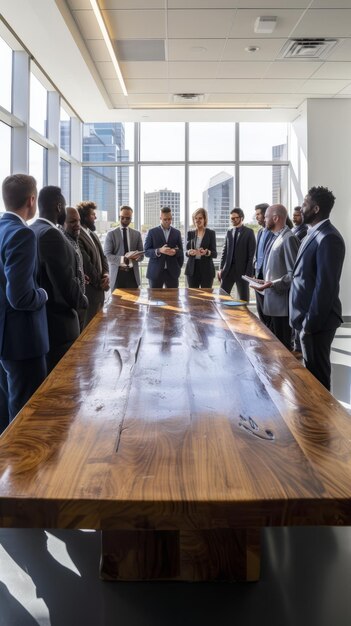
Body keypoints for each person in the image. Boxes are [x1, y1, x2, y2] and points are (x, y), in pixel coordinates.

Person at [0, 174, 49, 432]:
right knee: (27, 417)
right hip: (23, 341)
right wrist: (43, 294)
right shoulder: (22, 234)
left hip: (4, 339)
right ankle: (25, 471)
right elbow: (21, 297)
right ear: (32, 200)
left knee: (7, 413)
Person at [290, 186, 345, 391]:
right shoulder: (311, 233)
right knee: (309, 380)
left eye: (304, 204)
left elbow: (326, 288)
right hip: (305, 320)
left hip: (316, 324)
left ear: (315, 209)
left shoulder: (329, 237)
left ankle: (322, 423)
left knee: (318, 383)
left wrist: (308, 325)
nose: (300, 209)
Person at [31, 186, 88, 372]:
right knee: (67, 386)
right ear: (58, 207)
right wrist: (83, 301)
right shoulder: (52, 234)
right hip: (60, 326)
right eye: (63, 207)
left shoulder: (32, 230)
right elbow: (65, 283)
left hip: (43, 323)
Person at [251, 204, 299, 350]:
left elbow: (294, 274)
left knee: (283, 349)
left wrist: (271, 284)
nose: (264, 220)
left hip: (282, 307)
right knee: (275, 348)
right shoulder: (277, 237)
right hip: (273, 303)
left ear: (276, 218)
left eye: (266, 217)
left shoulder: (288, 238)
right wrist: (264, 281)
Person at [77, 201, 110, 324]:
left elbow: (103, 258)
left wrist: (106, 274)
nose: (95, 217)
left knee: (99, 328)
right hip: (91, 291)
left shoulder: (93, 235)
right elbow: (87, 265)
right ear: (85, 217)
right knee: (89, 330)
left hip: (100, 290)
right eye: (93, 215)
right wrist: (100, 284)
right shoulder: (79, 236)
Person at [59, 206, 87, 332]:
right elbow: (64, 277)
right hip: (71, 306)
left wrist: (81, 275)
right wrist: (82, 301)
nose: (77, 225)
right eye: (72, 222)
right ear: (62, 223)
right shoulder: (60, 241)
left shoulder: (73, 238)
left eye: (79, 221)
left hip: (78, 304)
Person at [218, 208, 256, 301]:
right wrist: (221, 268)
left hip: (242, 272)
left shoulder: (249, 232)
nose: (233, 220)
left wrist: (249, 273)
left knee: (243, 300)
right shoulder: (229, 232)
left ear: (241, 218)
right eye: (231, 218)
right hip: (228, 270)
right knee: (222, 298)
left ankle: (243, 316)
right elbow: (225, 251)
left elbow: (252, 254)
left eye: (235, 218)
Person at [104, 205, 144, 289]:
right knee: (117, 301)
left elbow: (142, 255)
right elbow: (107, 255)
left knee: (134, 301)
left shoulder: (137, 234)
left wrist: (137, 257)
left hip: (133, 275)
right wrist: (123, 259)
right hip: (117, 275)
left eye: (128, 218)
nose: (124, 220)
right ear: (119, 217)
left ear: (131, 219)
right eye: (122, 217)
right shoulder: (111, 234)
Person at [144, 207, 184, 288]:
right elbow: (146, 251)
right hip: (155, 272)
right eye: (165, 219)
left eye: (169, 219)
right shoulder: (152, 232)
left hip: (172, 272)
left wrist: (175, 252)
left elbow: (181, 252)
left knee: (173, 299)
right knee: (154, 299)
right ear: (160, 218)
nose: (167, 221)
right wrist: (159, 250)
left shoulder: (177, 233)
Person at [185, 208, 217, 288]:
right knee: (193, 297)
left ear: (205, 219)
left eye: (200, 218)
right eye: (195, 218)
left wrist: (207, 252)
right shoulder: (190, 233)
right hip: (192, 270)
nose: (197, 220)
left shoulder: (211, 233)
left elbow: (214, 253)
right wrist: (189, 252)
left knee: (206, 297)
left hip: (207, 270)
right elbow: (186, 251)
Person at [253, 203, 273, 325]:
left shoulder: (274, 232)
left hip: (269, 276)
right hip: (258, 274)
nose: (257, 217)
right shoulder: (260, 232)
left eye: (258, 214)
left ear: (266, 214)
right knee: (260, 309)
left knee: (269, 310)